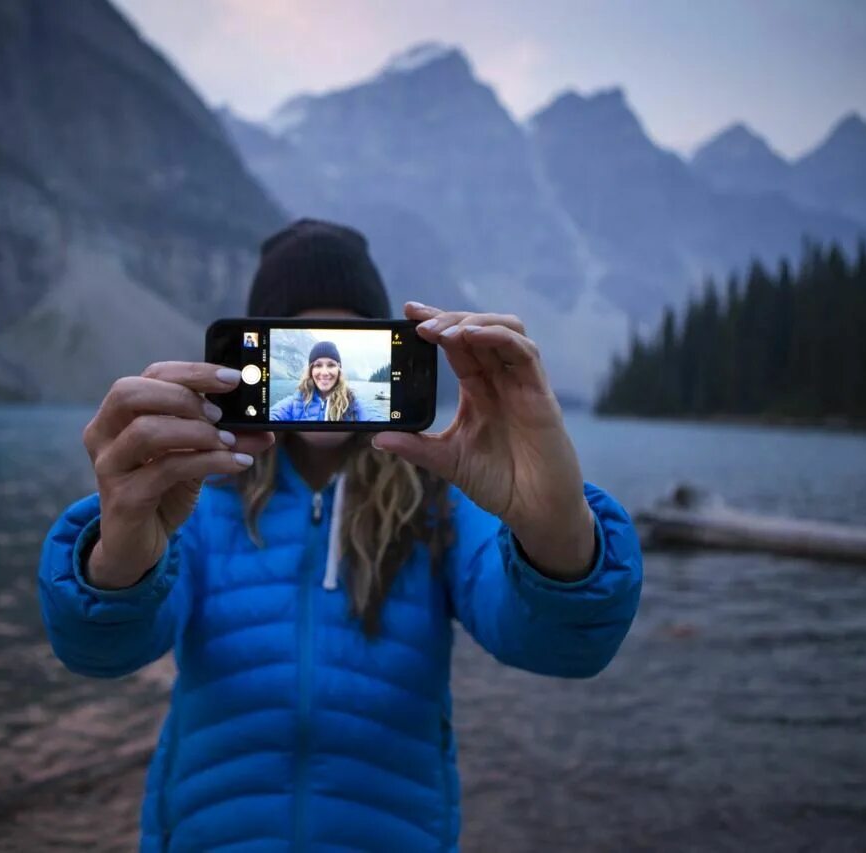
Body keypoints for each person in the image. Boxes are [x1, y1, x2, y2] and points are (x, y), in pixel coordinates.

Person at [38, 218, 643, 851]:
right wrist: (118, 560)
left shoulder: (438, 503)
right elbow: (101, 654)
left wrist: (557, 531)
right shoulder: (197, 492)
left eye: (344, 349)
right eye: (304, 348)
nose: (326, 368)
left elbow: (561, 650)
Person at [270, 340, 368, 422]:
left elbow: (372, 415)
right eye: (318, 365)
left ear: (339, 370)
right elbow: (273, 415)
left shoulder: (353, 403)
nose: (324, 372)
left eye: (331, 365)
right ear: (311, 370)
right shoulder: (294, 402)